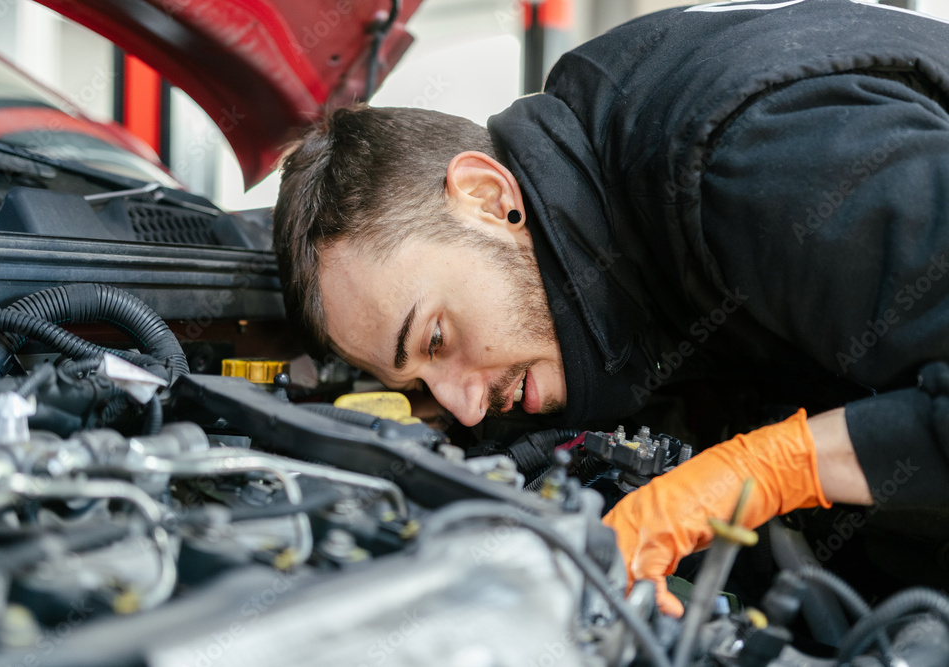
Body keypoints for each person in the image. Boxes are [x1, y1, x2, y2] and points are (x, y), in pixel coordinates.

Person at [273, 0, 949, 616]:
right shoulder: (591, 198)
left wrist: (766, 471)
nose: (464, 406)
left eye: (437, 337)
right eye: (422, 387)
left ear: (486, 197)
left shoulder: (756, 154)